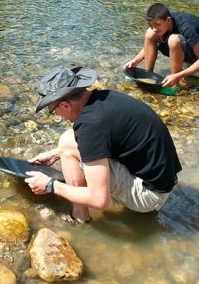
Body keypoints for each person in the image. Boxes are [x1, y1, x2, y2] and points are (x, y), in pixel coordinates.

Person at [24, 66, 182, 223]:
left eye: (52, 110)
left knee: (67, 144)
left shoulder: (90, 126)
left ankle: (80, 217)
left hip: (149, 197)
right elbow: (106, 136)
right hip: (162, 181)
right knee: (68, 140)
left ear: (65, 105)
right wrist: (55, 153)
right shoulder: (105, 97)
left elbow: (100, 201)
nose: (56, 114)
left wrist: (51, 185)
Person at [123, 3, 199, 87]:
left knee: (173, 40)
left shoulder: (187, 28)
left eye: (157, 24)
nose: (154, 28)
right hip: (183, 45)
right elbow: (150, 45)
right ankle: (148, 76)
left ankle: (174, 84)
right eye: (151, 25)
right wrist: (136, 60)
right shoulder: (163, 23)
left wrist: (177, 76)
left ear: (168, 20)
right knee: (149, 33)